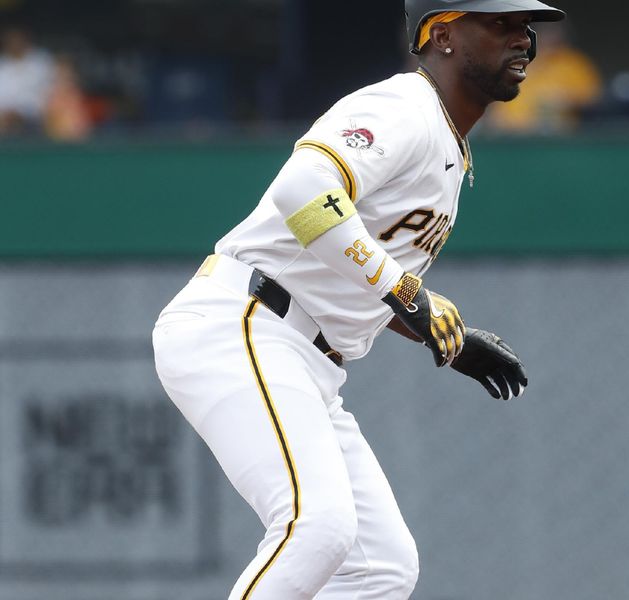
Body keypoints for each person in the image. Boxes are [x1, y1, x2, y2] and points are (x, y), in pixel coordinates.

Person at [152, 1, 561, 598]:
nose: (523, 38)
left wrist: (436, 329)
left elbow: (355, 269)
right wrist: (405, 291)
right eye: (500, 24)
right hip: (247, 320)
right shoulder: (405, 107)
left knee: (381, 568)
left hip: (304, 353)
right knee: (315, 526)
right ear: (442, 35)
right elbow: (302, 190)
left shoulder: (445, 140)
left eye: (526, 27)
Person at [486, 20, 600, 134]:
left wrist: (566, 100)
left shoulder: (573, 63)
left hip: (554, 135)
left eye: (553, 31)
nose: (549, 36)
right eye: (545, 31)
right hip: (511, 134)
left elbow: (594, 99)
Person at [0, 25, 54, 135]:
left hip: (36, 118)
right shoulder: (3, 64)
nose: (15, 43)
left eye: (18, 38)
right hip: (5, 119)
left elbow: (50, 93)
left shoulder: (41, 62)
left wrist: (21, 112)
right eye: (11, 39)